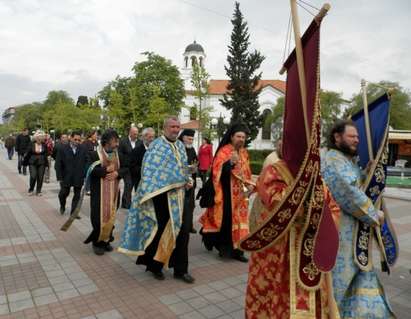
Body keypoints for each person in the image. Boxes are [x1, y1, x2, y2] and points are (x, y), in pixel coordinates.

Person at [245, 140, 340, 318]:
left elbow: (332, 208)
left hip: (311, 249)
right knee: (277, 297)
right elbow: (277, 202)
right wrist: (308, 205)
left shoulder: (315, 175)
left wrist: (324, 224)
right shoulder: (273, 171)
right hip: (280, 249)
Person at [322, 120, 395, 318]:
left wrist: (366, 173)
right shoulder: (333, 160)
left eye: (357, 137)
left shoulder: (346, 160)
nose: (357, 140)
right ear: (337, 137)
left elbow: (356, 185)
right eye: (352, 136)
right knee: (342, 281)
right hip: (342, 235)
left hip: (354, 235)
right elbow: (349, 194)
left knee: (360, 276)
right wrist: (373, 214)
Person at [119, 116, 195, 283]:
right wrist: (175, 180)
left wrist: (188, 179)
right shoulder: (156, 146)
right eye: (173, 126)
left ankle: (181, 270)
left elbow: (183, 168)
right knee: (160, 232)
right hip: (161, 198)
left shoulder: (181, 146)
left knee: (183, 234)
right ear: (165, 128)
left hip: (180, 198)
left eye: (178, 126)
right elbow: (149, 171)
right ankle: (156, 267)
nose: (176, 129)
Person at [199, 123, 253, 262]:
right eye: (238, 136)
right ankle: (225, 249)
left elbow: (247, 172)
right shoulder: (224, 151)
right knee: (227, 221)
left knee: (241, 222)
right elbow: (217, 172)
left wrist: (250, 185)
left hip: (241, 195)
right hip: (226, 193)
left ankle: (238, 250)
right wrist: (230, 164)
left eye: (243, 137)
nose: (241, 139)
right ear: (231, 137)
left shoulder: (244, 152)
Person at [84, 129, 127, 255]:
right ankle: (97, 243)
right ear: (106, 142)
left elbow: (126, 168)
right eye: (115, 141)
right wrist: (105, 170)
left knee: (110, 218)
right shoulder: (94, 154)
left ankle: (106, 241)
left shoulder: (118, 154)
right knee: (98, 219)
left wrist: (117, 173)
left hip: (114, 193)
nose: (117, 144)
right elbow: (90, 170)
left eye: (117, 141)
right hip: (99, 194)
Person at [55, 131, 87, 217]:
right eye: (75, 139)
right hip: (66, 176)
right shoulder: (62, 148)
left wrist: (84, 174)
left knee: (77, 195)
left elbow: (86, 162)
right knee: (63, 193)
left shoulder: (83, 148)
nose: (77, 141)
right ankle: (62, 205)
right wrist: (59, 177)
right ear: (71, 138)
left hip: (78, 176)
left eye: (79, 140)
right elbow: (58, 164)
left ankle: (74, 212)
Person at [178, 129, 198, 233]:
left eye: (192, 139)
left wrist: (194, 168)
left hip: (191, 182)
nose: (191, 141)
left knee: (191, 205)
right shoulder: (178, 148)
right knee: (181, 205)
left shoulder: (192, 149)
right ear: (183, 137)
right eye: (189, 139)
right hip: (180, 183)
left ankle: (189, 225)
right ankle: (180, 226)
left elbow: (195, 161)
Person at [118, 126, 139, 209]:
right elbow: (119, 154)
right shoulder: (123, 142)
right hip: (126, 168)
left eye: (137, 134)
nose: (136, 136)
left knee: (133, 185)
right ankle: (127, 203)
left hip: (136, 169)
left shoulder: (139, 142)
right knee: (128, 184)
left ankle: (127, 201)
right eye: (134, 134)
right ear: (130, 133)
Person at [23, 131, 48, 196]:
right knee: (33, 176)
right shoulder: (31, 144)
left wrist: (47, 164)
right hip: (32, 162)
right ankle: (31, 189)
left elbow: (46, 155)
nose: (39, 139)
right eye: (38, 138)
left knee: (40, 177)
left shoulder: (44, 145)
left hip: (41, 162)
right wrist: (24, 161)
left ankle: (38, 191)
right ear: (35, 138)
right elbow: (27, 153)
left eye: (41, 138)